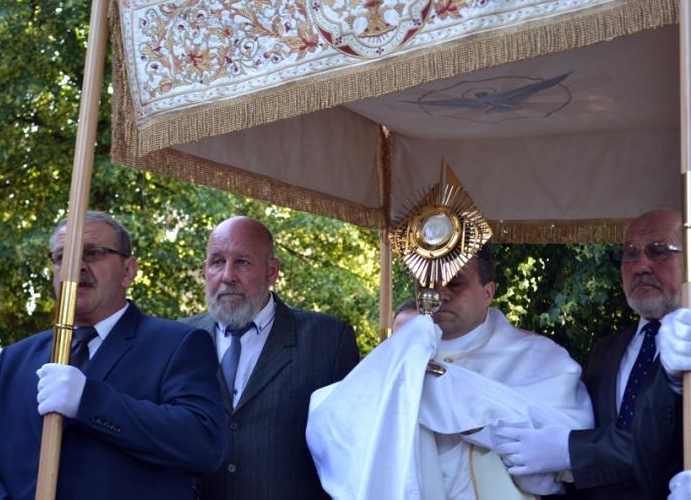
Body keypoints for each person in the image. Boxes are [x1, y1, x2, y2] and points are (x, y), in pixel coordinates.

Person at [0, 211, 226, 500]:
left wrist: (89, 400)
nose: (76, 266)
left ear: (128, 270)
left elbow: (203, 445)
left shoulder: (177, 344)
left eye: (93, 253)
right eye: (62, 257)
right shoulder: (17, 359)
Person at [306, 245, 593, 499]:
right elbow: (339, 426)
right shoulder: (395, 360)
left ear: (488, 292)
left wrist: (448, 393)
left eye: (455, 283)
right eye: (425, 284)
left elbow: (566, 452)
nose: (438, 295)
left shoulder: (539, 358)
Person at [493, 208, 684, 499]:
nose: (641, 266)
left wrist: (569, 450)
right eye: (630, 254)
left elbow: (658, 447)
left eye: (659, 251)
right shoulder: (606, 352)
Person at [182, 216, 360, 500]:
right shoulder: (179, 338)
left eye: (242, 262)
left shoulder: (328, 340)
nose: (227, 275)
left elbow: (350, 450)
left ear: (272, 271)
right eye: (217, 262)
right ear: (205, 270)